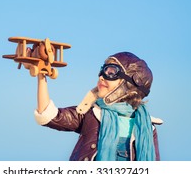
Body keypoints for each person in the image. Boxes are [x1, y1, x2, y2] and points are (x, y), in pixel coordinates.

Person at [34, 51, 162, 161]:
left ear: (128, 84)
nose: (101, 77)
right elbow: (49, 115)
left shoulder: (148, 128)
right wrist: (41, 76)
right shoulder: (92, 114)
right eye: (103, 70)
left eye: (111, 72)